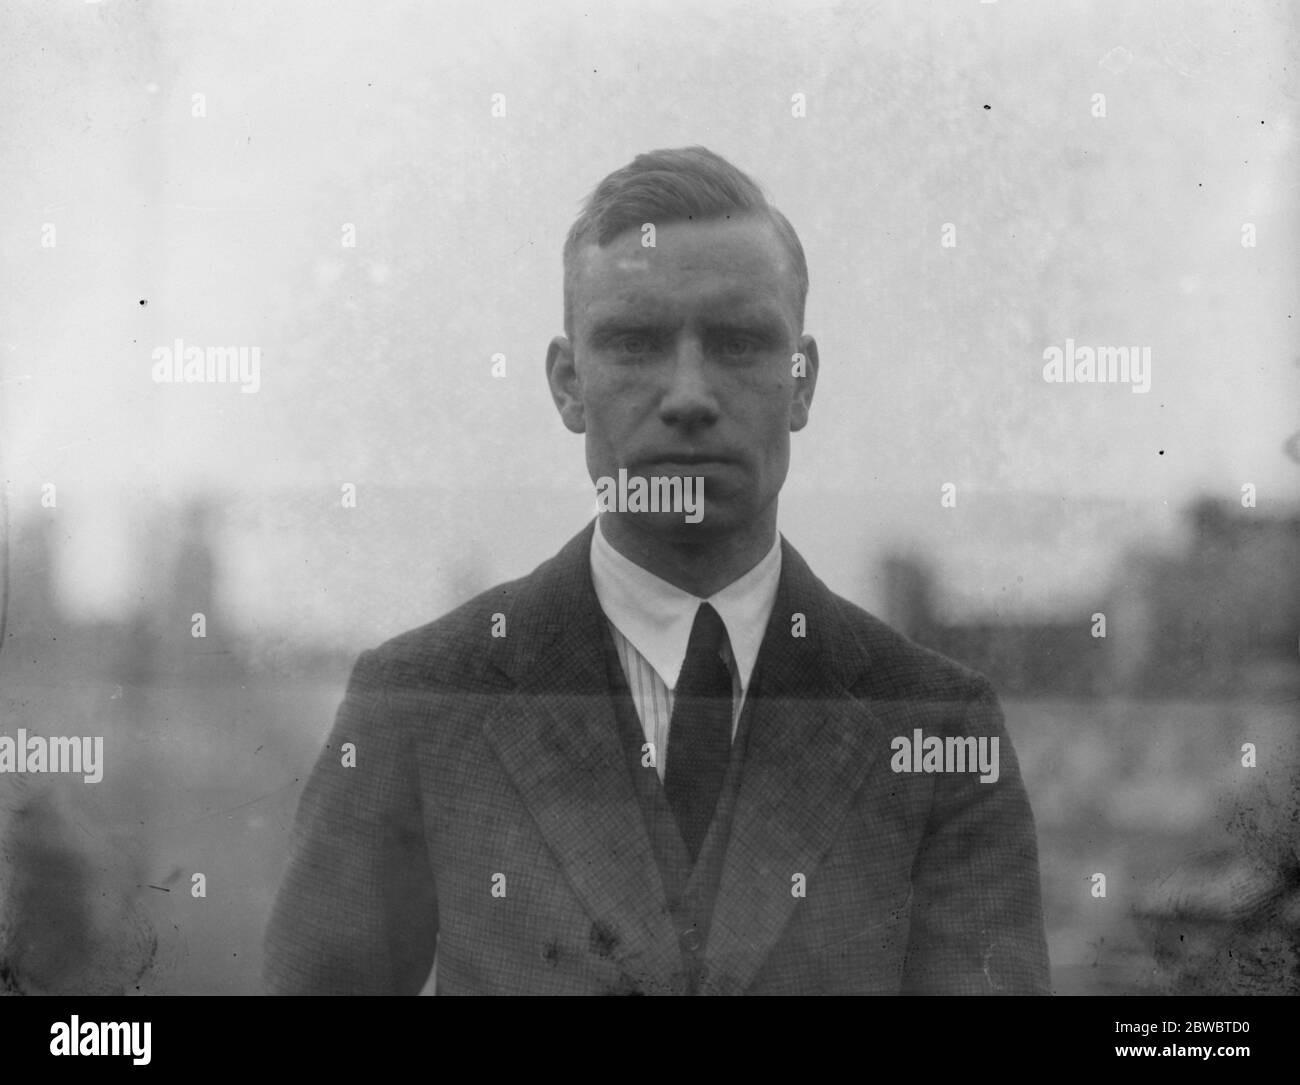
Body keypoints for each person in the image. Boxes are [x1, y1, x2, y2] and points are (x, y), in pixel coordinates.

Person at [263, 146, 1050, 995]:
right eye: (635, 342)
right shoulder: (420, 702)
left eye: (740, 342)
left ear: (801, 382)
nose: (687, 394)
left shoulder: (936, 725)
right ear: (569, 384)